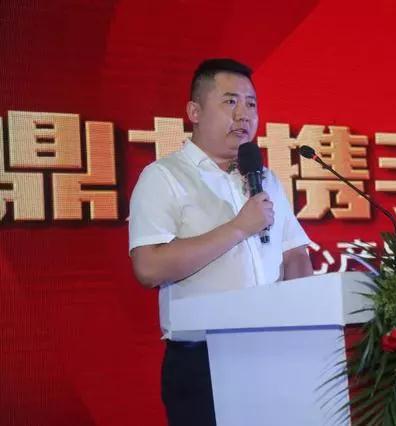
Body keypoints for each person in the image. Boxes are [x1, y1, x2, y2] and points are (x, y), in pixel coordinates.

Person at [128, 58, 313, 426]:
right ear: (194, 112)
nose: (244, 115)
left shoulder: (266, 179)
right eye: (230, 102)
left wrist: (304, 322)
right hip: (203, 360)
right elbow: (148, 267)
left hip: (275, 351)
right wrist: (238, 228)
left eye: (251, 104)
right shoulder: (164, 177)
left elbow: (295, 255)